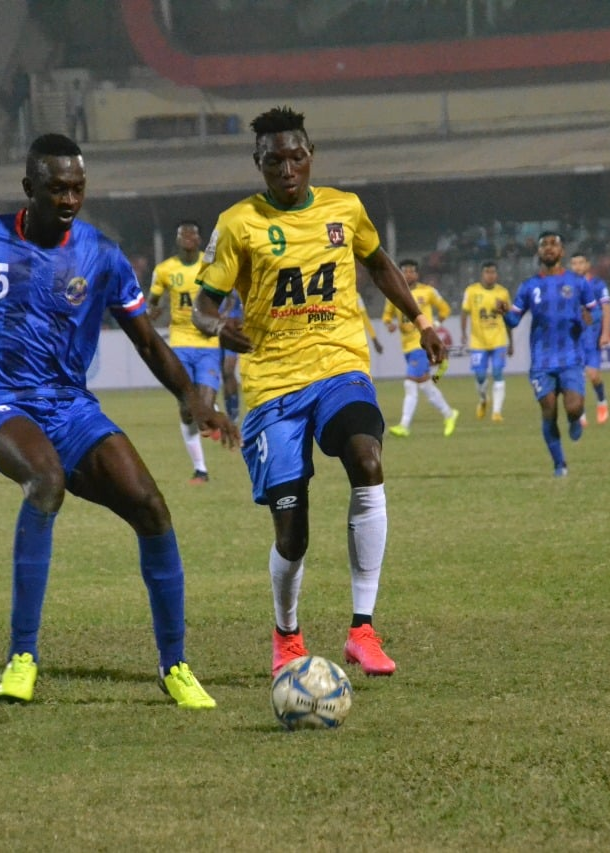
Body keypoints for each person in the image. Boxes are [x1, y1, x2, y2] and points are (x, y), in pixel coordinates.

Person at [0, 134, 233, 709]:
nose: (70, 198)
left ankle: (175, 665)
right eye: (57, 188)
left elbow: (148, 341)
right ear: (29, 188)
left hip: (70, 406)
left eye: (78, 187)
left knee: (151, 507)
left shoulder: (102, 255)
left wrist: (189, 396)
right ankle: (22, 657)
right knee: (46, 481)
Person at [190, 106, 445, 677]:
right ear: (257, 163)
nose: (287, 168)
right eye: (274, 159)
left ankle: (362, 629)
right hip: (273, 384)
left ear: (312, 156)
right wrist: (216, 327)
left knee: (367, 456)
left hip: (340, 366)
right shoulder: (238, 224)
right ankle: (287, 635)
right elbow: (203, 304)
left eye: (297, 156)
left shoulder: (344, 208)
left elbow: (379, 265)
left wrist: (421, 322)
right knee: (293, 528)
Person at [500, 231, 602, 477]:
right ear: (538, 252)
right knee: (548, 408)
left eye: (553, 244)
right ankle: (560, 464)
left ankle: (576, 419)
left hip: (570, 357)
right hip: (542, 359)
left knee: (574, 407)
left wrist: (590, 319)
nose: (548, 248)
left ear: (562, 251)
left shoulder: (578, 283)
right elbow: (514, 320)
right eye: (543, 245)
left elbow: (595, 312)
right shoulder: (529, 286)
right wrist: (504, 313)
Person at [148, 220, 223, 484]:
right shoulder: (165, 270)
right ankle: (200, 469)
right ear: (178, 239)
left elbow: (230, 294)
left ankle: (211, 408)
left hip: (207, 343)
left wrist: (222, 316)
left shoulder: (210, 266)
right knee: (185, 409)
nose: (188, 237)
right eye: (183, 234)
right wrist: (152, 312)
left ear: (200, 239)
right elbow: (152, 302)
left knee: (201, 405)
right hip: (179, 343)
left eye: (193, 233)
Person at [382, 259, 458, 437]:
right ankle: (449, 413)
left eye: (411, 271)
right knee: (425, 385)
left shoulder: (428, 292)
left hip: (421, 344)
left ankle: (404, 425)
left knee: (409, 383)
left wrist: (434, 326)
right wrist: (389, 325)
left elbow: (445, 309)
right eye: (404, 271)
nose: (408, 275)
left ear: (417, 274)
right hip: (406, 346)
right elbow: (387, 316)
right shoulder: (394, 292)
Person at [459, 260, 513, 423]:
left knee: (497, 373)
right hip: (478, 342)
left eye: (493, 272)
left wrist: (511, 342)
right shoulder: (472, 291)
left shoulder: (502, 293)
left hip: (498, 339)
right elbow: (464, 313)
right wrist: (463, 333)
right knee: (480, 375)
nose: (491, 275)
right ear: (482, 274)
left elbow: (508, 319)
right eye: (487, 272)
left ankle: (496, 412)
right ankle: (483, 400)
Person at [569, 251, 610, 425]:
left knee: (593, 376)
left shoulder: (597, 284)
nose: (577, 266)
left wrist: (605, 333)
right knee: (575, 376)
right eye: (574, 263)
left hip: (592, 338)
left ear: (587, 265)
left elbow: (607, 308)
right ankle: (580, 412)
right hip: (573, 339)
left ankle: (601, 401)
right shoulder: (567, 287)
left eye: (580, 263)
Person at [219, 290, 244, 423]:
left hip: (231, 327)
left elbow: (236, 300)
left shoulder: (232, 279)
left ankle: (234, 410)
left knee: (229, 370)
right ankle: (229, 411)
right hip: (215, 328)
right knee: (224, 373)